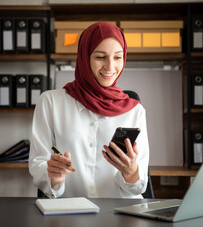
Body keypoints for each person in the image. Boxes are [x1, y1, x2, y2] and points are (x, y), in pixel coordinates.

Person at [29, 22, 150, 199]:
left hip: (120, 215)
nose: (110, 66)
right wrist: (54, 177)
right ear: (84, 58)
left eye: (117, 57)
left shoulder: (134, 110)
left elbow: (138, 187)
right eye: (100, 57)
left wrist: (131, 173)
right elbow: (38, 163)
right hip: (70, 214)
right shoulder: (50, 102)